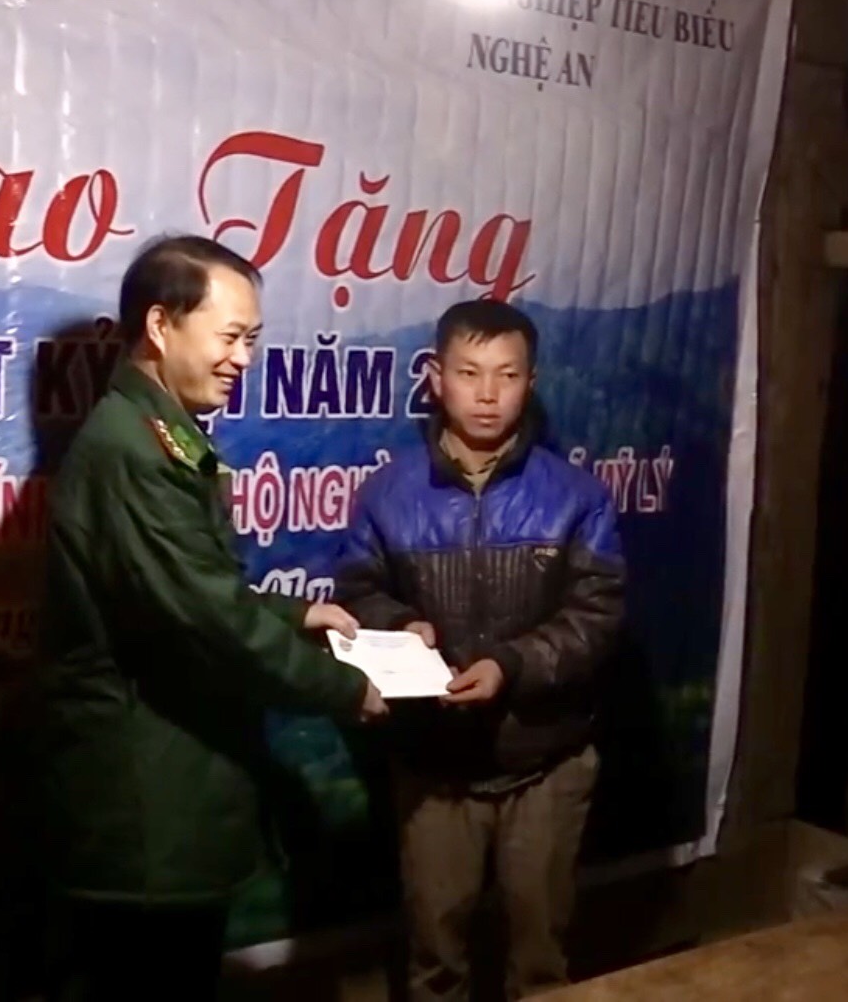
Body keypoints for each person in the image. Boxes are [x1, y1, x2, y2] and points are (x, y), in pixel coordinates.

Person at [32, 233, 387, 1001]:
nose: (242, 358)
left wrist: (296, 614)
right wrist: (341, 688)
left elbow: (186, 589)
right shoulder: (134, 451)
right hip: (147, 804)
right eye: (229, 336)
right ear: (160, 325)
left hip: (166, 790)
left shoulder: (156, 432)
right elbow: (208, 619)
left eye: (250, 339)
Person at [335, 299, 625, 1002]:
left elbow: (597, 615)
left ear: (532, 381)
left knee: (543, 961)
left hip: (547, 759)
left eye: (507, 374)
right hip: (433, 763)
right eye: (469, 373)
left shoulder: (577, 497)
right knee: (436, 957)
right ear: (436, 379)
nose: (488, 393)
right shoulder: (386, 494)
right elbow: (357, 590)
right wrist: (400, 622)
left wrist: (510, 665)